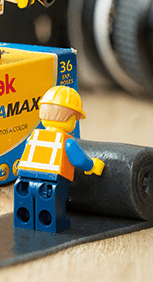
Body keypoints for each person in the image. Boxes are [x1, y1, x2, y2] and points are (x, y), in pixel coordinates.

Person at [13, 86, 104, 232]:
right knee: (53, 203)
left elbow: (27, 151)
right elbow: (79, 160)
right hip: (55, 178)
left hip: (25, 175)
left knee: (28, 200)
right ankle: (53, 223)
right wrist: (92, 166)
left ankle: (25, 221)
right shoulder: (67, 142)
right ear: (68, 117)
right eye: (75, 118)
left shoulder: (34, 135)